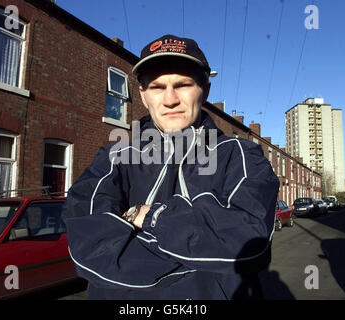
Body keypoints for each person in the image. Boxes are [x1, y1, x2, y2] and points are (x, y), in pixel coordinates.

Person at [62, 34, 280, 300]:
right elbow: (91, 247)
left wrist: (149, 217)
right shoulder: (114, 158)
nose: (170, 99)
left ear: (205, 90)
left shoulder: (241, 156)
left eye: (183, 84)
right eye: (157, 87)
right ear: (142, 95)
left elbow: (247, 242)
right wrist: (201, 253)